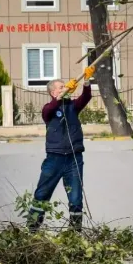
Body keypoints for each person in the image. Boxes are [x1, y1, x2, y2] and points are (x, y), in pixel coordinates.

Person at [29, 65, 96, 232]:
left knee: (75, 198)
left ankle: (75, 234)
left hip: (74, 159)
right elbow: (51, 108)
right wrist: (60, 96)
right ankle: (32, 229)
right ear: (53, 93)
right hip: (54, 159)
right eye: (62, 87)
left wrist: (86, 81)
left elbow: (85, 97)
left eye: (66, 85)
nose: (66, 88)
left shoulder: (73, 107)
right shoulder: (48, 109)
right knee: (42, 194)